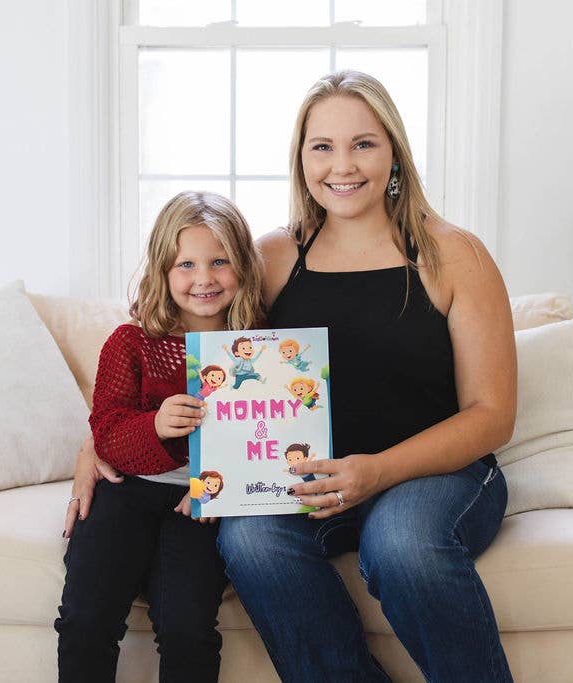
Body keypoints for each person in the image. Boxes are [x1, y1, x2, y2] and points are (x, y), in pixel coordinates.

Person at [66, 70, 517, 682]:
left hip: (438, 474)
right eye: (322, 146)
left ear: (394, 153)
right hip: (308, 478)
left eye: (363, 144)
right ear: (301, 159)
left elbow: (492, 414)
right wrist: (99, 441)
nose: (342, 165)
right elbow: (201, 354)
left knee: (401, 546)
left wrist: (378, 470)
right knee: (248, 540)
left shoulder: (454, 254)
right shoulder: (274, 257)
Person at [54, 191, 264, 683]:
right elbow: (106, 432)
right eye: (186, 264)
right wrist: (153, 425)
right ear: (163, 272)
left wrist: (219, 483)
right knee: (86, 618)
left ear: (243, 267)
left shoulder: (261, 348)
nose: (204, 278)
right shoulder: (131, 343)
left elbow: (267, 436)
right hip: (125, 493)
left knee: (189, 629)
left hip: (200, 507)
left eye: (219, 262)